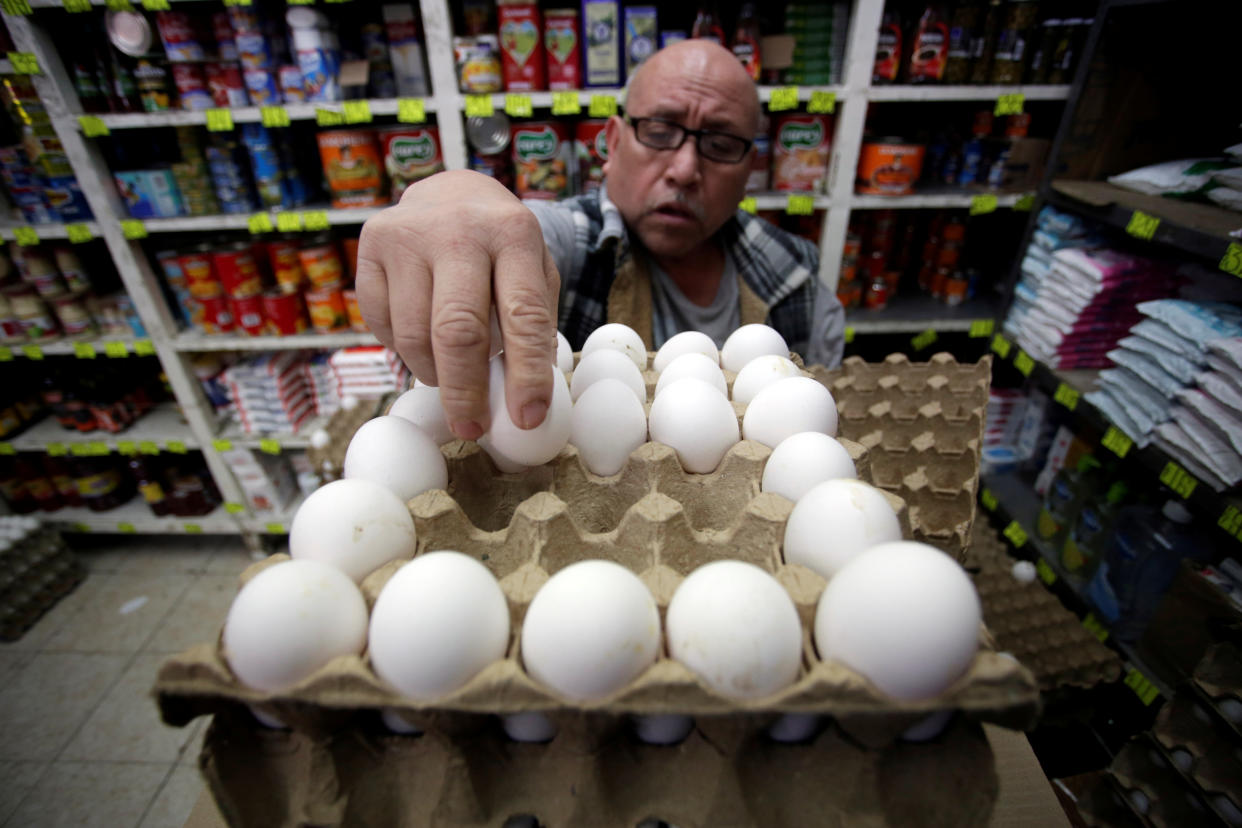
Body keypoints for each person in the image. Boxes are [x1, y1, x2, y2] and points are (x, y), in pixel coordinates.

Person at [357, 39, 845, 443]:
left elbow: (808, 427)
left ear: (749, 172)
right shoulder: (569, 247)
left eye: (720, 145)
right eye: (659, 131)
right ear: (611, 145)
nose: (685, 170)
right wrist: (455, 202)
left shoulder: (796, 283)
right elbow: (515, 231)